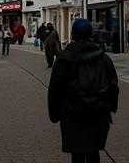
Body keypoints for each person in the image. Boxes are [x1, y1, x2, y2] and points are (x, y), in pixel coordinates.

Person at [48, 19, 119, 163]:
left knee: (77, 153)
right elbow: (113, 85)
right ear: (90, 34)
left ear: (73, 35)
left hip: (72, 112)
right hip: (98, 111)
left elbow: (54, 90)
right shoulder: (103, 58)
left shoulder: (64, 59)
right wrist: (111, 106)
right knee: (94, 151)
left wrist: (54, 114)